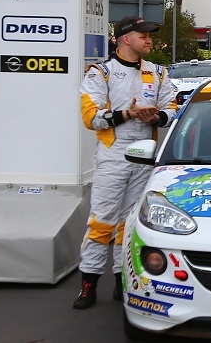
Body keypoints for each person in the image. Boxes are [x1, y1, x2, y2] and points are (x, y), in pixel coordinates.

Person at [75, 16, 177, 310]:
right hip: (114, 154)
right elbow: (90, 118)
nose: (149, 39)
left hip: (146, 153)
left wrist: (156, 117)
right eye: (142, 35)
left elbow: (172, 107)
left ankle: (123, 281)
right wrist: (127, 114)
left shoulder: (158, 72)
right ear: (124, 38)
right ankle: (88, 283)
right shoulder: (100, 73)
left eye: (149, 34)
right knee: (102, 220)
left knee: (130, 223)